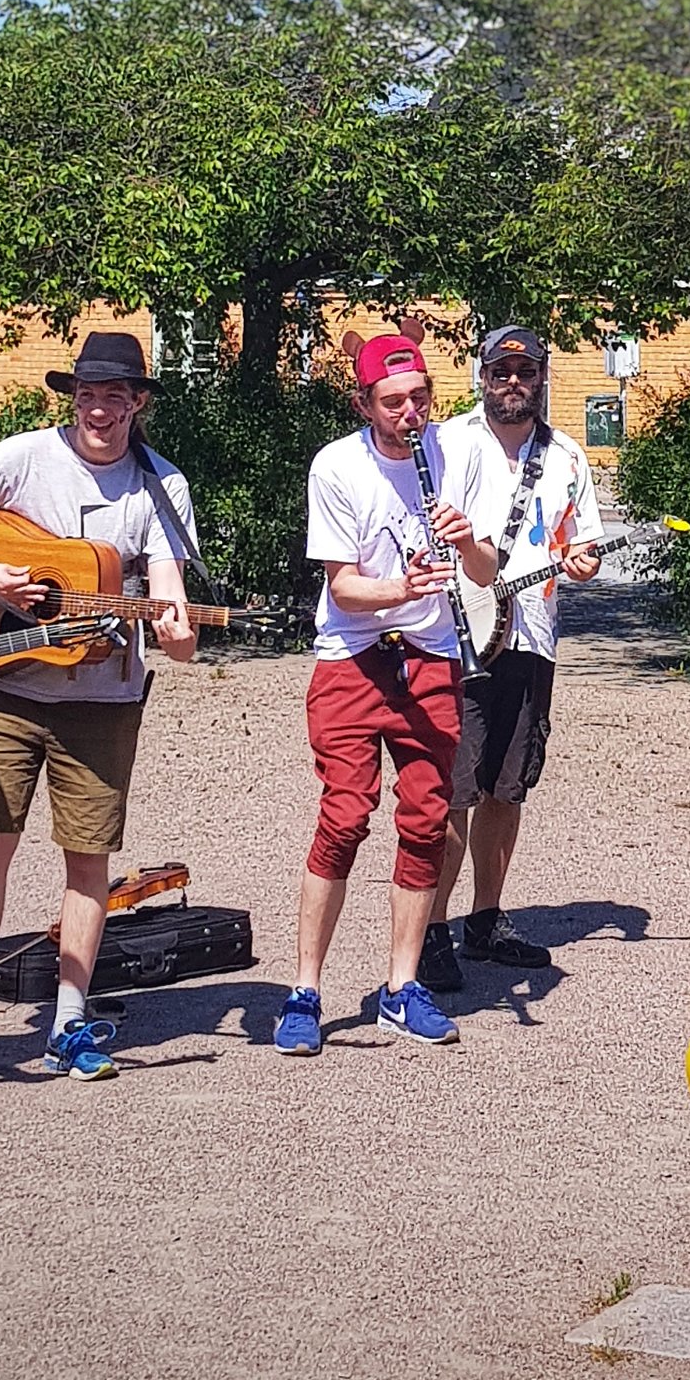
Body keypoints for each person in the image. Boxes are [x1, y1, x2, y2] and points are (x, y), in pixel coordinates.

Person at [0, 333, 198, 1093]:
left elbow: (167, 592)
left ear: (139, 402)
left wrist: (180, 632)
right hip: (7, 686)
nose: (99, 410)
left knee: (88, 859)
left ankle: (69, 1017)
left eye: (115, 397)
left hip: (103, 701)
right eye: (87, 396)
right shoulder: (23, 456)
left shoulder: (161, 485)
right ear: (73, 399)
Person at [276, 332, 498, 1057]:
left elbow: (487, 570)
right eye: (395, 402)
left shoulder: (455, 452)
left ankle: (402, 987)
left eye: (422, 399)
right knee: (343, 816)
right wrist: (400, 587)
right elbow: (342, 585)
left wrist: (465, 546)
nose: (412, 414)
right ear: (364, 404)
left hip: (430, 656)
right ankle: (305, 989)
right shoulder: (336, 466)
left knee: (428, 819)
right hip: (354, 655)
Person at [419, 325, 603, 995]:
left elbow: (581, 550)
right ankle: (430, 929)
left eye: (526, 371)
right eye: (502, 371)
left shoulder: (567, 459)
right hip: (455, 638)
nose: (514, 382)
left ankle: (486, 920)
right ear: (483, 376)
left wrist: (580, 566)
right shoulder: (447, 443)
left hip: (530, 638)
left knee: (506, 785)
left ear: (542, 378)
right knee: (450, 790)